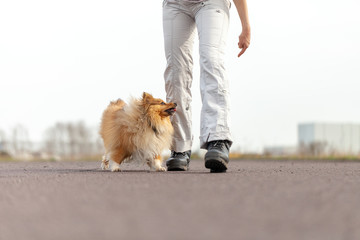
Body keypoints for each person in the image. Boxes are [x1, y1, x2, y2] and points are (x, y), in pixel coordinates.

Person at [163, 0, 250, 172]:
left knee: (212, 60)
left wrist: (245, 25)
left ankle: (218, 139)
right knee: (176, 72)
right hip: (175, 4)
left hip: (212, 3)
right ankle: (180, 147)